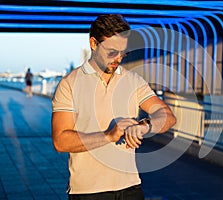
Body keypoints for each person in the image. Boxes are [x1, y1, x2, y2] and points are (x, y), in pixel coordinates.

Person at [51, 14, 176, 200]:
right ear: (93, 43)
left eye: (123, 52)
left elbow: (167, 116)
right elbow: (60, 142)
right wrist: (109, 135)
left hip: (131, 187)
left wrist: (144, 126)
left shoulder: (133, 81)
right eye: (111, 52)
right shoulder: (70, 84)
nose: (118, 58)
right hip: (88, 192)